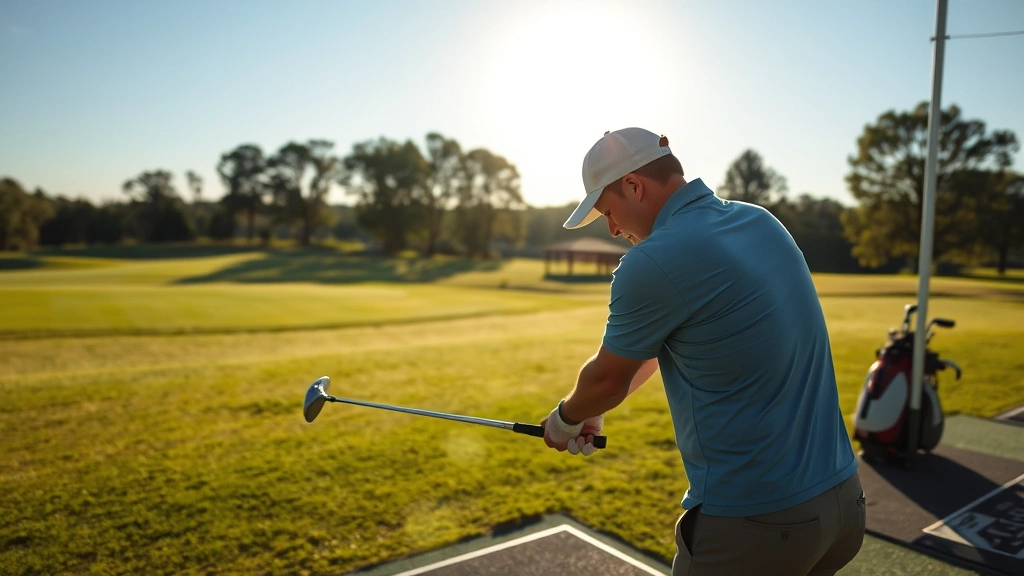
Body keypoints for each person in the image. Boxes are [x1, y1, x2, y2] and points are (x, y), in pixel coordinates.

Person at [540, 127, 865, 575]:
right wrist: (595, 409)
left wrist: (565, 418)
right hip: (843, 502)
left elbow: (607, 379)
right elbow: (658, 349)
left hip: (757, 524)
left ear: (633, 186)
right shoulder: (760, 221)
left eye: (608, 212)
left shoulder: (651, 261)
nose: (613, 229)